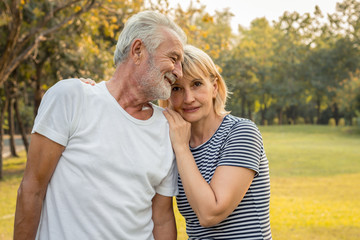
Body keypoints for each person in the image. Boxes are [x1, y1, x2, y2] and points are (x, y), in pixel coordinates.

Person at [14, 11, 187, 240]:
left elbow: (162, 219)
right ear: (137, 51)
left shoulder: (167, 128)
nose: (179, 72)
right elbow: (31, 189)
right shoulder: (72, 97)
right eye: (173, 59)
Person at [161, 45, 272, 239]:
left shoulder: (241, 132)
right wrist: (91, 93)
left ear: (214, 87)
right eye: (177, 88)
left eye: (196, 84)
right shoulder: (169, 141)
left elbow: (210, 213)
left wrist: (181, 149)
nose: (188, 98)